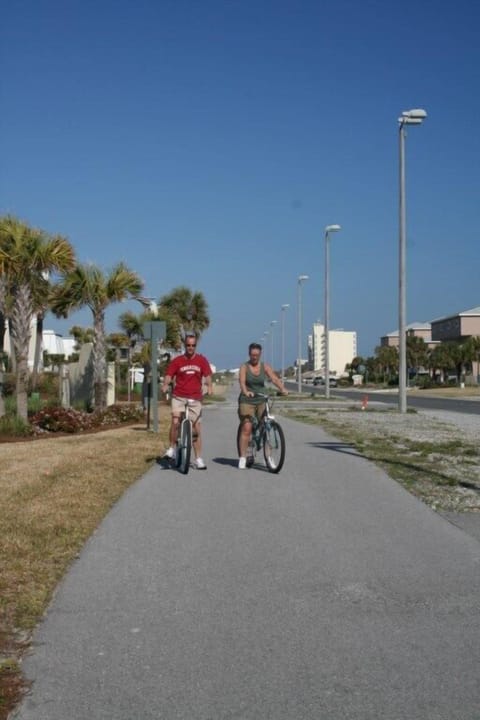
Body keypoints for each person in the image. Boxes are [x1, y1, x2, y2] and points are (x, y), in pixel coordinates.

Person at [161, 332, 213, 469]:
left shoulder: (202, 360)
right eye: (188, 345)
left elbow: (207, 376)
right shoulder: (177, 361)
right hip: (179, 396)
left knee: (196, 428)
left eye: (193, 345)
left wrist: (210, 386)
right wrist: (166, 384)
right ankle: (172, 449)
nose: (191, 347)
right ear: (185, 345)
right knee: (175, 421)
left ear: (196, 346)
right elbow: (169, 375)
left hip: (195, 398)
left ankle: (198, 459)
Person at [237, 342, 288, 469]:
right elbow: (242, 382)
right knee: (247, 427)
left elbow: (274, 379)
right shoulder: (244, 367)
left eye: (257, 355)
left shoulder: (265, 366)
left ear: (260, 355)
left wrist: (282, 388)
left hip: (261, 398)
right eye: (252, 355)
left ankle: (268, 457)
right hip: (247, 399)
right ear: (249, 354)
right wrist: (245, 391)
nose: (254, 357)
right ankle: (243, 457)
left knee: (267, 427)